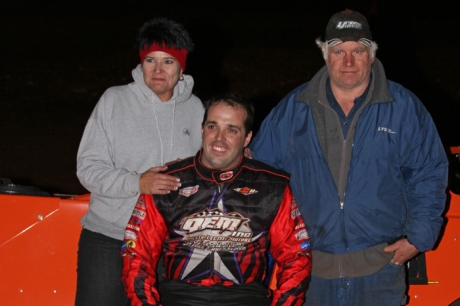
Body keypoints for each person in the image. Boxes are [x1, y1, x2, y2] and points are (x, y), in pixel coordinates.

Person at [248, 9, 448, 306]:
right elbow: (262, 178)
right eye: (339, 51)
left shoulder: (403, 107)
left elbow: (428, 172)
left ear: (372, 53)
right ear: (325, 53)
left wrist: (420, 235)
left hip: (380, 271)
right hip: (310, 271)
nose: (349, 61)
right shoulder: (293, 109)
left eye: (358, 50)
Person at [121, 93, 312, 306]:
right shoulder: (166, 181)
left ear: (247, 138)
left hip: (245, 297)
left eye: (232, 130)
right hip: (179, 295)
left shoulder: (271, 185)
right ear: (202, 130)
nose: (219, 138)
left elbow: (296, 256)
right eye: (213, 126)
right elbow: (136, 254)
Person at [75, 18, 204, 306]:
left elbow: (206, 168)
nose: (158, 70)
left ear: (182, 67)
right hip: (110, 237)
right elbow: (88, 168)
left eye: (168, 61)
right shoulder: (114, 100)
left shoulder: (196, 109)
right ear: (141, 64)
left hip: (168, 244)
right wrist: (137, 183)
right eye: (150, 60)